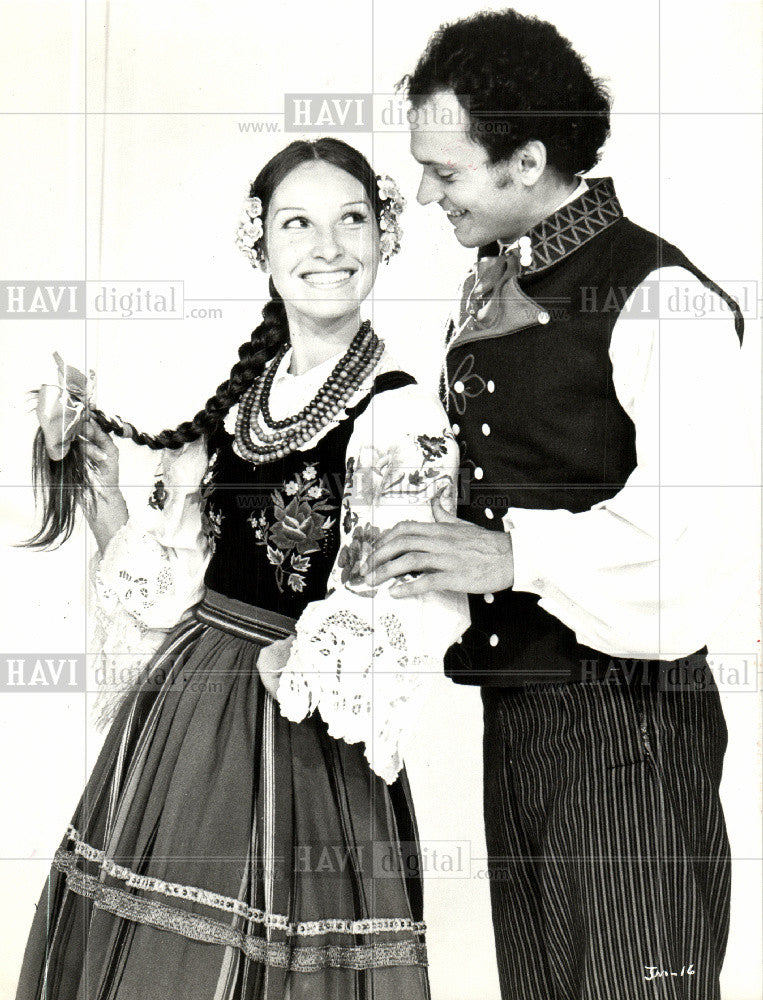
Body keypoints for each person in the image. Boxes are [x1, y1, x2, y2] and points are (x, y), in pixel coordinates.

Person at [15, 137, 468, 1000]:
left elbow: (412, 597)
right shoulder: (241, 404)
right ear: (259, 244)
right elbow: (178, 585)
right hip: (186, 717)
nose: (326, 247)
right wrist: (107, 496)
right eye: (297, 223)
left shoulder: (397, 408)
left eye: (351, 221)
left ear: (385, 238)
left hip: (301, 732)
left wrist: (308, 660)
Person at [362, 10, 747, 1000]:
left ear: (526, 160)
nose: (422, 193)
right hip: (521, 718)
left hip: (627, 727)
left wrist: (507, 558)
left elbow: (689, 546)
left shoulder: (658, 294)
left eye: (443, 173)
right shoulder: (496, 284)